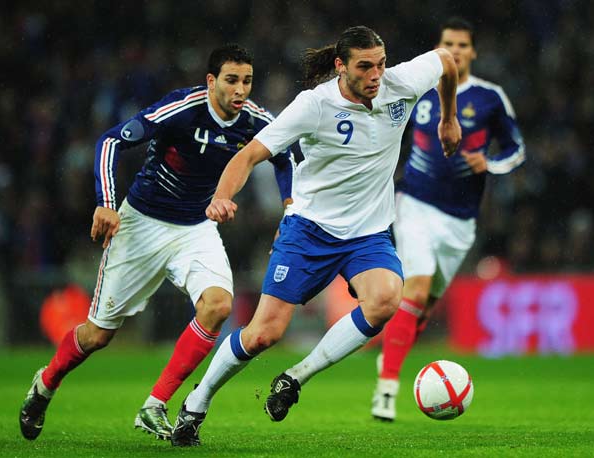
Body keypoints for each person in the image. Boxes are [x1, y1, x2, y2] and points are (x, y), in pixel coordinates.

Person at [169, 25, 461, 447]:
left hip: (369, 233)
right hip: (308, 231)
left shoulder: (400, 83)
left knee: (384, 300)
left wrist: (448, 119)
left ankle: (294, 378)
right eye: (365, 66)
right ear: (341, 67)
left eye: (380, 63)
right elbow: (250, 154)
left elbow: (446, 61)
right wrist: (220, 196)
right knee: (263, 334)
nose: (377, 74)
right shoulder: (314, 106)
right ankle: (197, 401)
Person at [18, 44, 294, 441]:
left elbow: (285, 155)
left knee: (218, 306)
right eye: (231, 80)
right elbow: (112, 142)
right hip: (142, 224)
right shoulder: (182, 108)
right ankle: (45, 383)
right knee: (98, 335)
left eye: (247, 81)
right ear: (212, 81)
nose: (240, 90)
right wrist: (107, 204)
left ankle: (155, 404)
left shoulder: (254, 120)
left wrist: (290, 207)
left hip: (195, 229)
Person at [371, 17, 526, 421]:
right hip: (415, 203)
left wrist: (489, 163)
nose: (454, 50)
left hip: (460, 220)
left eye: (462, 44)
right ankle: (386, 388)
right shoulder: (419, 91)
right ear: (439, 48)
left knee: (424, 306)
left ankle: (394, 350)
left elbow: (516, 149)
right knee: (416, 291)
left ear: (472, 51)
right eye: (448, 43)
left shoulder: (491, 98)